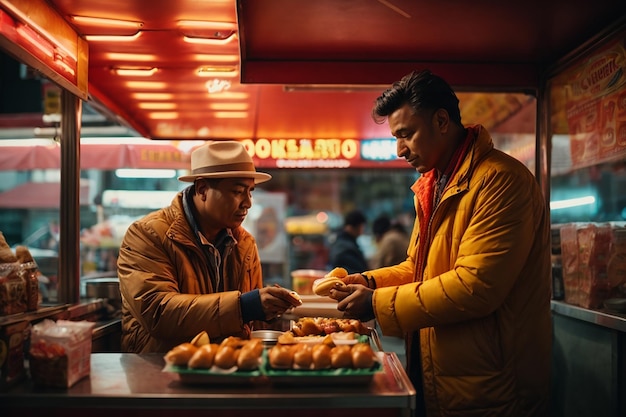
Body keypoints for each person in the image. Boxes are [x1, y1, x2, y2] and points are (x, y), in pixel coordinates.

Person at [329, 70, 552, 417]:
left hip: (492, 388)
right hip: (444, 379)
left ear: (442, 120)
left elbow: (476, 287)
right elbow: (418, 268)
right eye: (395, 137)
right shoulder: (434, 184)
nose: (400, 149)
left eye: (407, 134)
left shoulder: (500, 182)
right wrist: (370, 282)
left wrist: (376, 303)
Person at [117, 141, 301, 353]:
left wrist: (270, 311)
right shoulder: (147, 234)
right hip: (160, 369)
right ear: (203, 189)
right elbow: (158, 312)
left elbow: (252, 323)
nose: (248, 203)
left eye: (250, 191)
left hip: (227, 368)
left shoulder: (244, 243)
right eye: (238, 191)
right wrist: (244, 306)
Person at [327, 209, 368, 274]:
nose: (362, 230)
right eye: (361, 227)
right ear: (352, 227)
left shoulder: (341, 242)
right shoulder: (346, 248)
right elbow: (356, 272)